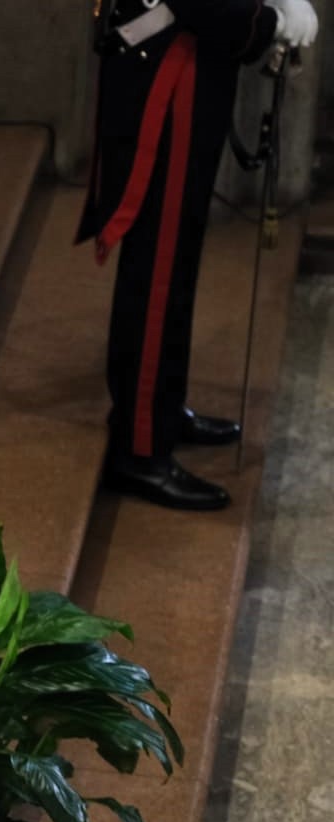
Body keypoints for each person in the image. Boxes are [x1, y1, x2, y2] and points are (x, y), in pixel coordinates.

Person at [79, 0, 318, 510]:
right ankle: (139, 447)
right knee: (158, 268)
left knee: (176, 261)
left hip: (186, 66)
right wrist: (270, 22)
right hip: (166, 76)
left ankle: (162, 409)